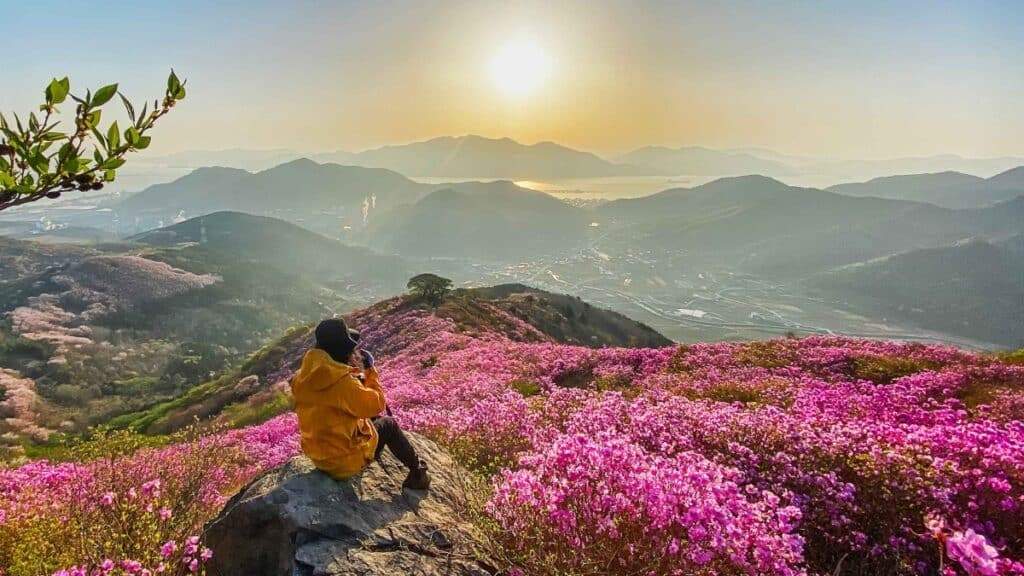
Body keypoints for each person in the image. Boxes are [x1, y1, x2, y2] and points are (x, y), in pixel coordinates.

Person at [290, 317, 430, 490]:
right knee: (388, 423)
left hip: (319, 458)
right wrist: (370, 372)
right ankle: (418, 474)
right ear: (342, 351)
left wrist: (354, 377)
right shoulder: (343, 383)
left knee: (371, 418)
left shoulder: (300, 378)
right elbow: (378, 403)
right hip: (344, 463)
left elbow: (333, 402)